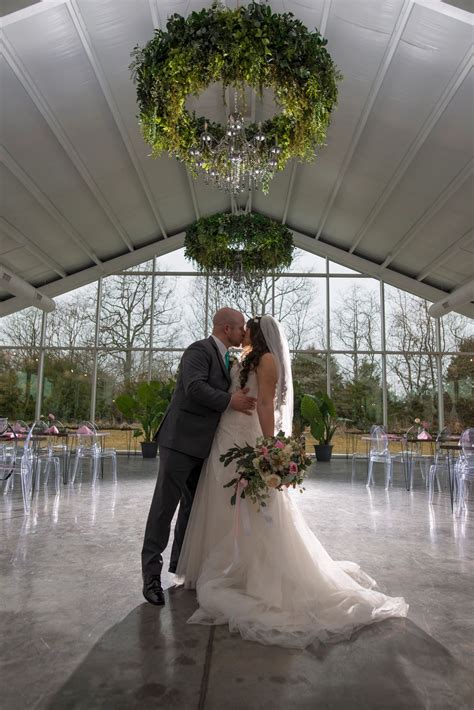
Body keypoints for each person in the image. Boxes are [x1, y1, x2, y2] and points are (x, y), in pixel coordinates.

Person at [176, 315, 408, 648]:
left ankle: (249, 571)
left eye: (247, 328)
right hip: (225, 436)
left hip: (246, 436)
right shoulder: (246, 357)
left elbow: (266, 403)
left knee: (254, 505)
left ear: (257, 333)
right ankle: (216, 565)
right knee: (220, 500)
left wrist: (269, 446)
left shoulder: (267, 360)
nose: (242, 333)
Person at [141, 308, 256, 606]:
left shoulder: (226, 356)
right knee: (164, 509)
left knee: (191, 510)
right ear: (227, 328)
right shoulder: (198, 350)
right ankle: (151, 578)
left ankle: (180, 568)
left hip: (204, 447)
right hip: (180, 442)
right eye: (240, 327)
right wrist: (230, 401)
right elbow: (194, 388)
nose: (243, 332)